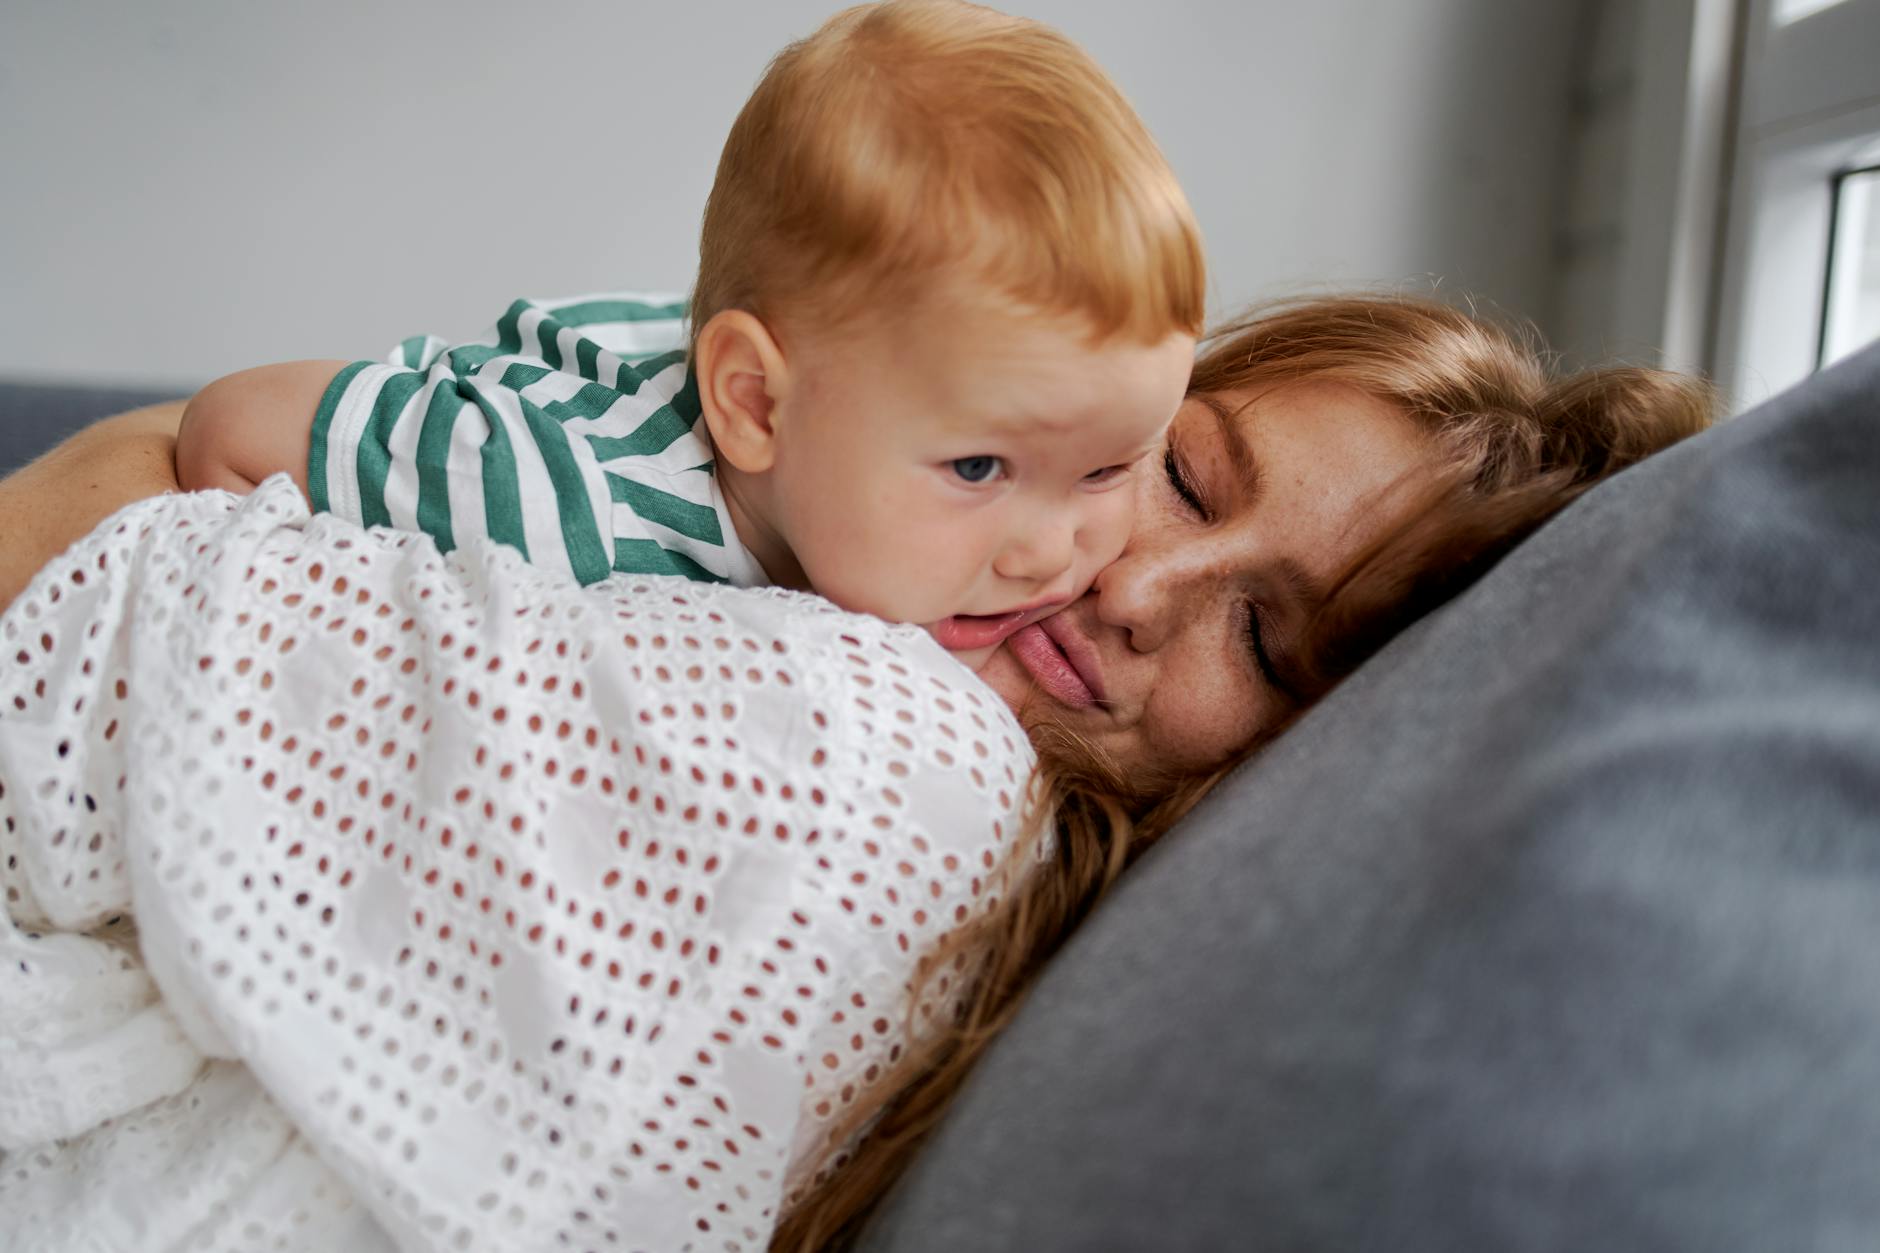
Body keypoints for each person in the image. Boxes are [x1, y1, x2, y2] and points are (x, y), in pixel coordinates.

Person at [0, 295, 1713, 1251]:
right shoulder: (793, 537)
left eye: (1267, 645)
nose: (1140, 587)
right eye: (1189, 477)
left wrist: (151, 457)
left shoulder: (887, 751)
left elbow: (86, 565)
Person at [171, 0, 1204, 669]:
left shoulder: (870, 447)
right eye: (977, 467)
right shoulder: (557, 500)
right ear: (754, 406)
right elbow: (233, 423)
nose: (1051, 555)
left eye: (1107, 469)